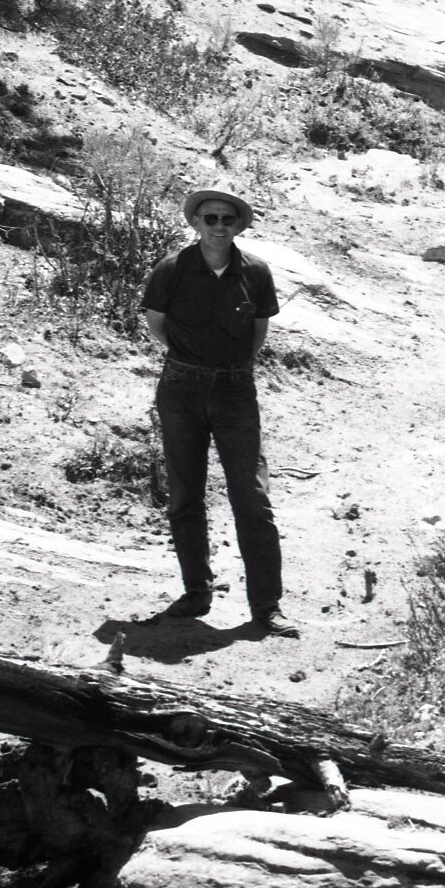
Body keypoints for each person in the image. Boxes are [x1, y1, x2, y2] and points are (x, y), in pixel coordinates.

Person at [139, 183, 293, 637]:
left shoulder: (256, 272)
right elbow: (157, 325)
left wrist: (228, 368)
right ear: (195, 223)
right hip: (181, 387)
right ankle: (196, 592)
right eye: (211, 219)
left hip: (235, 391)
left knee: (252, 497)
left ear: (239, 225)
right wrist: (193, 361)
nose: (219, 227)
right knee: (186, 494)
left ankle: (266, 608)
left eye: (229, 219)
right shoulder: (172, 269)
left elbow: (259, 330)